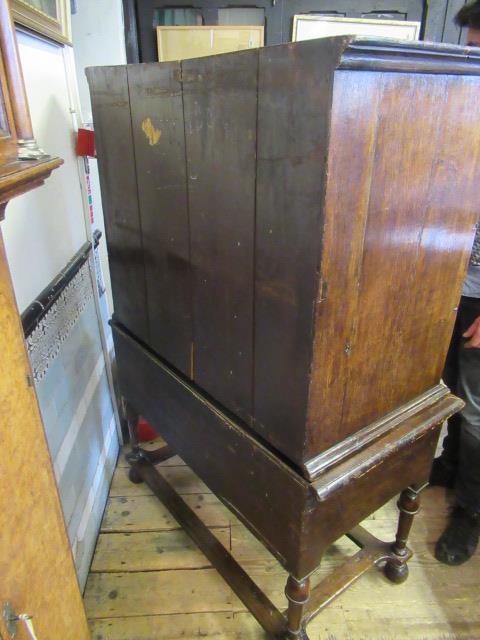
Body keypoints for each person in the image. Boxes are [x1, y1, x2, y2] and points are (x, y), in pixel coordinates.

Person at [429, 1, 480, 565]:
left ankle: (471, 509)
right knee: (440, 388)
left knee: (479, 408)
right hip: (444, 283)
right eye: (469, 49)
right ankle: (445, 467)